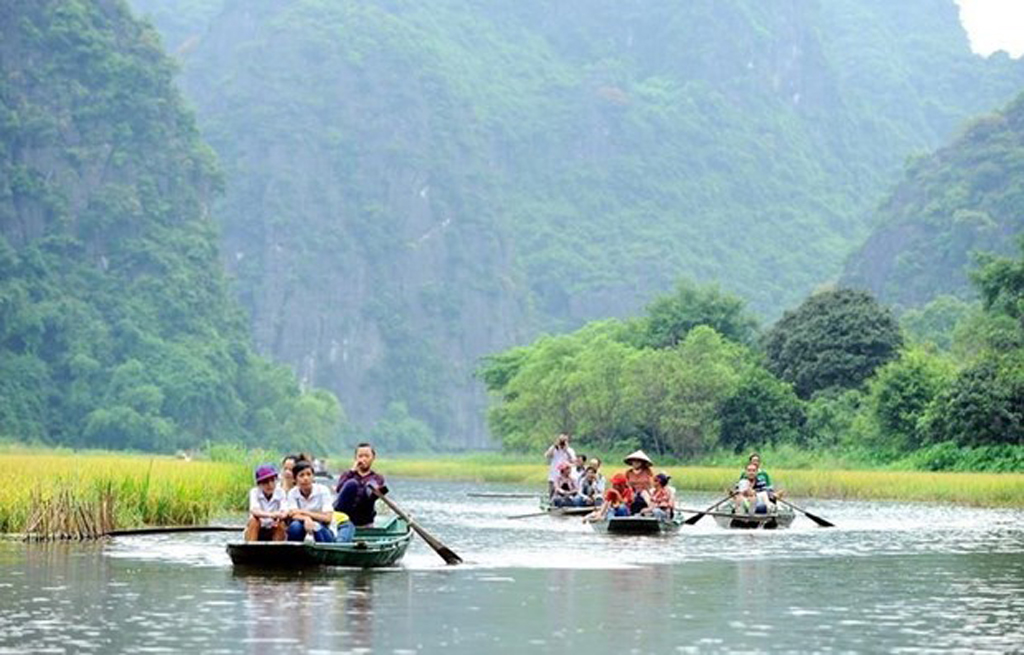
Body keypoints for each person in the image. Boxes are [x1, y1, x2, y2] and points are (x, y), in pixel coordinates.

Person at [285, 460, 340, 542]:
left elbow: (327, 518)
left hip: (325, 529)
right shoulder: (292, 493)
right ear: (295, 479)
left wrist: (303, 512)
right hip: (303, 525)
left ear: (313, 477)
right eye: (301, 475)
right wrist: (306, 519)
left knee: (316, 527)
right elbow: (293, 514)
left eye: (308, 474)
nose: (306, 478)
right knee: (295, 526)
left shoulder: (323, 490)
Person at [334, 442, 387, 528]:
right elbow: (339, 489)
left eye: (367, 456)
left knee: (369, 486)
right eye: (360, 456)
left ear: (373, 458)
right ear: (355, 458)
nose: (363, 459)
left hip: (364, 520)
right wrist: (352, 470)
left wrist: (376, 491)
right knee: (352, 484)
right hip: (345, 519)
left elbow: (374, 491)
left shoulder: (377, 477)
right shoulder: (348, 474)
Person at [244, 464, 287, 541]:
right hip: (258, 528)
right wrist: (272, 515)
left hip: (274, 528)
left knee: (281, 523)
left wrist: (278, 517)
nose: (270, 485)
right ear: (259, 484)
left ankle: (278, 549)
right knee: (254, 521)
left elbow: (284, 512)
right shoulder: (254, 492)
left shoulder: (280, 492)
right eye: (265, 482)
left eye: (272, 481)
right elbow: (254, 511)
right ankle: (251, 548)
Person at [623, 450, 655, 514]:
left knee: (646, 495)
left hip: (645, 491)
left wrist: (649, 492)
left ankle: (650, 510)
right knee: (629, 497)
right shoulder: (629, 472)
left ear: (642, 462)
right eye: (634, 461)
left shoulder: (647, 471)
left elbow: (652, 483)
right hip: (632, 491)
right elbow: (626, 484)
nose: (635, 463)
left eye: (638, 461)